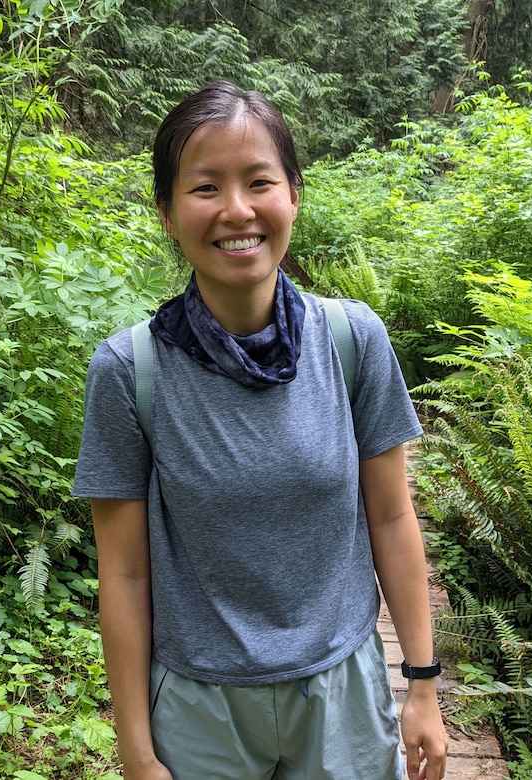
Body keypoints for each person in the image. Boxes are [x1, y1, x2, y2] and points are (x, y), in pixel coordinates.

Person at [73, 80, 449, 780]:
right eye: (205, 187)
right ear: (166, 212)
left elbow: (392, 515)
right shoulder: (131, 371)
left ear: (293, 196)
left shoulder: (351, 342)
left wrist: (421, 684)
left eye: (258, 181)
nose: (236, 210)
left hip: (341, 694)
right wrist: (134, 746)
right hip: (197, 706)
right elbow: (122, 573)